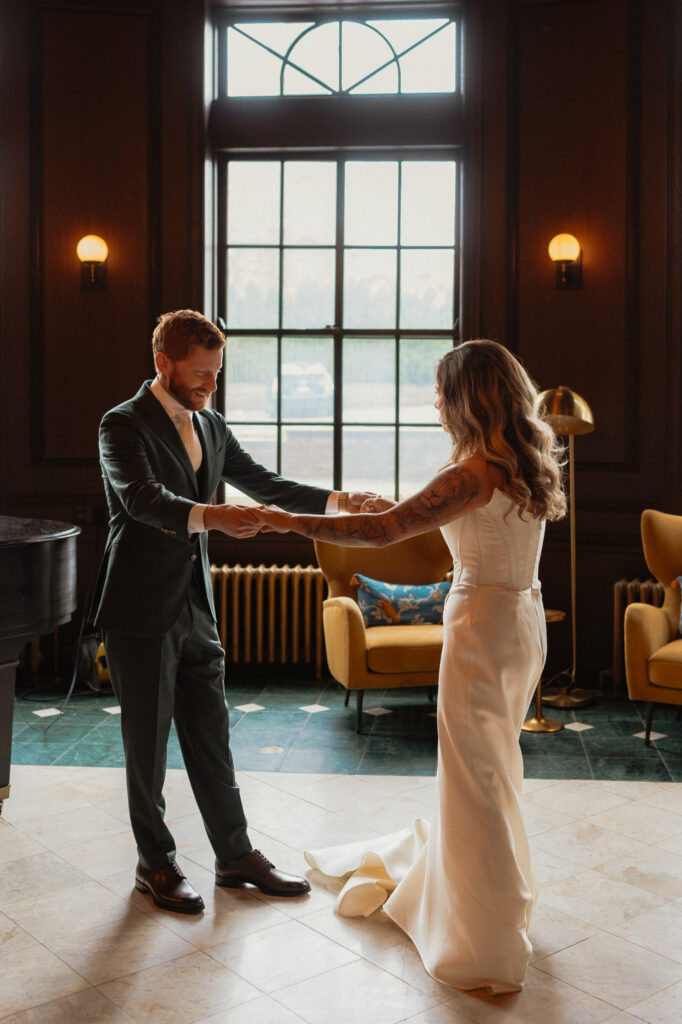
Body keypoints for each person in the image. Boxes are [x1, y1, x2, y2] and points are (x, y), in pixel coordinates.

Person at [251, 339, 566, 994]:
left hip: (482, 627)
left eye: (440, 390)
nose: (434, 401)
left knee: (473, 775)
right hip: (524, 620)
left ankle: (483, 939)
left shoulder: (474, 469)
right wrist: (377, 507)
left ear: (468, 397)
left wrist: (285, 520)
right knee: (495, 764)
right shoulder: (521, 463)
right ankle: (500, 898)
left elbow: (385, 533)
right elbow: (420, 517)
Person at [91, 309, 374, 915]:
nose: (209, 386)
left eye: (216, 374)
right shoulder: (121, 425)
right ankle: (155, 863)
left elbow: (264, 483)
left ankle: (234, 854)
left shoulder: (212, 424)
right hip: (139, 607)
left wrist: (339, 500)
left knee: (212, 734)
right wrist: (213, 516)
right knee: (146, 743)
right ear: (162, 363)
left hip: (198, 601)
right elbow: (142, 500)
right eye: (199, 374)